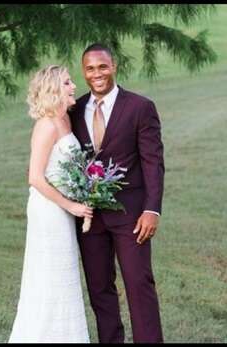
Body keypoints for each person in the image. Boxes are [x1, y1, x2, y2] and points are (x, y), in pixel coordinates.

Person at [70, 44, 165, 342]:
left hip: (132, 215)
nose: (97, 73)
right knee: (99, 288)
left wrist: (152, 209)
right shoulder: (74, 110)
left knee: (139, 283)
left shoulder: (139, 107)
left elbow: (153, 162)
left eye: (102, 66)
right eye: (90, 68)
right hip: (89, 217)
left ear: (114, 66)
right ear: (84, 72)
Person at [10, 66, 93, 342]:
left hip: (63, 210)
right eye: (68, 82)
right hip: (49, 211)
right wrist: (70, 206)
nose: (73, 86)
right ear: (55, 88)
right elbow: (34, 177)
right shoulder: (46, 124)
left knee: (63, 277)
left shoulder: (66, 120)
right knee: (47, 276)